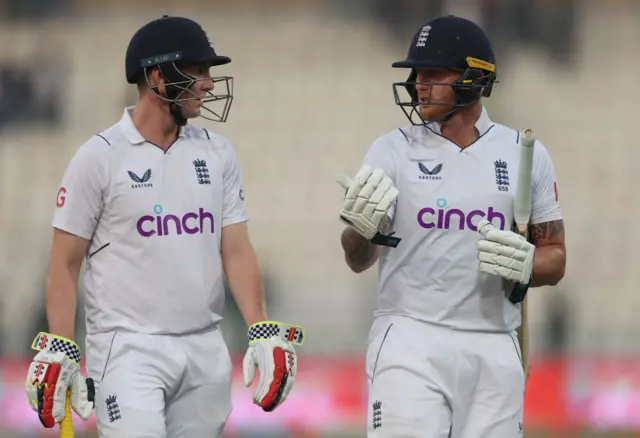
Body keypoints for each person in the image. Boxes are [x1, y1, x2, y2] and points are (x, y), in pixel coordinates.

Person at [24, 15, 304, 437]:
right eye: (198, 71)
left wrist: (259, 325)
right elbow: (64, 264)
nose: (209, 83)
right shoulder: (98, 158)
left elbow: (236, 249)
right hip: (128, 349)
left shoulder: (218, 154)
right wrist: (62, 344)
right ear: (157, 77)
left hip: (204, 346)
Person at [336, 15, 566, 438]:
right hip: (410, 337)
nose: (418, 83)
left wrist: (529, 263)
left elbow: (556, 259)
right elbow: (357, 259)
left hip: (494, 341)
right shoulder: (391, 150)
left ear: (474, 77)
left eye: (434, 72)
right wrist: (360, 231)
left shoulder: (523, 153)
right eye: (416, 72)